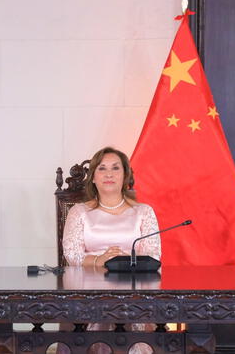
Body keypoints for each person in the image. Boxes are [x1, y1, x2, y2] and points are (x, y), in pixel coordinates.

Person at [60, 146, 160, 354]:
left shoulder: (144, 212)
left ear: (125, 176)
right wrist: (102, 260)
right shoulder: (79, 212)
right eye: (102, 169)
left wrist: (124, 260)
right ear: (93, 178)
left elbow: (153, 255)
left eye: (115, 168)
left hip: (134, 295)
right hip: (88, 294)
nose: (108, 174)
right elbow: (72, 255)